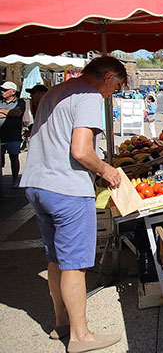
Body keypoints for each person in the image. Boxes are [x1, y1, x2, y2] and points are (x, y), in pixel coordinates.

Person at [20, 56, 125, 352]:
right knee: (75, 266)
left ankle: (62, 323)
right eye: (115, 87)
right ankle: (81, 336)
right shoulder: (89, 96)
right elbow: (81, 150)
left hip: (37, 184)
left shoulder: (57, 91)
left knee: (55, 259)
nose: (112, 94)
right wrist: (105, 170)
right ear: (107, 76)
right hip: (67, 189)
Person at [0, 81, 26, 188]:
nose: (2, 91)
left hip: (13, 135)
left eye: (5, 90)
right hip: (1, 135)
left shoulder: (20, 102)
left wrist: (2, 111)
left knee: (14, 157)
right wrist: (9, 112)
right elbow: (13, 113)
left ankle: (15, 179)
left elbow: (17, 113)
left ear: (13, 91)